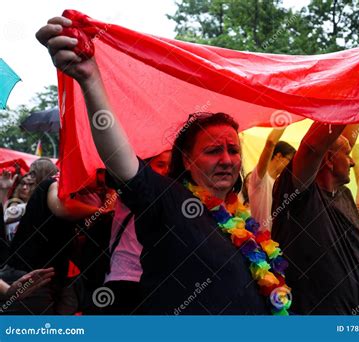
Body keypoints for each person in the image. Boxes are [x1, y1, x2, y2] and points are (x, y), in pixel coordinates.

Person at [36, 16, 291, 315]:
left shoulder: (241, 219)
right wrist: (90, 78)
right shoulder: (167, 200)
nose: (226, 159)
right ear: (186, 159)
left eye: (233, 150)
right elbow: (120, 159)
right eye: (212, 151)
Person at [272, 122, 359, 314]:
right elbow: (312, 147)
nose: (352, 162)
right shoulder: (300, 193)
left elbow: (344, 138)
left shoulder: (344, 195)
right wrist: (352, 94)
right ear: (329, 159)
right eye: (347, 155)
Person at [6, 158, 102, 314]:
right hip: (31, 276)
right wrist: (101, 211)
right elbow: (61, 209)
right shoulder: (53, 184)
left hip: (50, 278)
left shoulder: (74, 195)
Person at [103, 150, 171, 314]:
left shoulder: (171, 198)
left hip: (154, 281)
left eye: (170, 166)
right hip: (125, 280)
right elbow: (114, 173)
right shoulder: (132, 188)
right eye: (160, 165)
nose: (166, 171)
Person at [247, 129, 295, 231]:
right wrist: (286, 117)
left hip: (275, 244)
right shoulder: (261, 177)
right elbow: (271, 142)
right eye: (290, 160)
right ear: (278, 156)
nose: (291, 167)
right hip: (258, 242)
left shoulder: (280, 184)